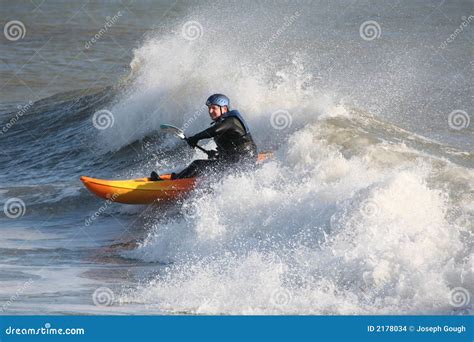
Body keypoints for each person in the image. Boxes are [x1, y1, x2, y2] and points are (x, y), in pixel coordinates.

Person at [150, 94, 257, 180]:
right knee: (208, 164)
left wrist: (195, 138)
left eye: (213, 108)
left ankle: (174, 182)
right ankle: (181, 178)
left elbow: (214, 131)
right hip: (235, 160)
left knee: (197, 164)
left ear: (224, 109)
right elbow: (230, 144)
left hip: (244, 161)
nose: (210, 111)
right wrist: (218, 154)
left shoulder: (231, 121)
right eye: (209, 108)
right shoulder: (223, 122)